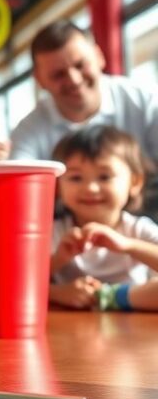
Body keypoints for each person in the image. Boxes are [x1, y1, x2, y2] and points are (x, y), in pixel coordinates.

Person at [0, 20, 158, 165]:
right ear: (40, 80)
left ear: (99, 56)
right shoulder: (28, 131)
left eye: (80, 65)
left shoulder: (144, 102)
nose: (74, 80)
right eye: (58, 74)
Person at [49, 125, 158, 311]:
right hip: (71, 326)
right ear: (58, 186)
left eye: (104, 177)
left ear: (135, 182)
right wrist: (58, 287)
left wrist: (127, 245)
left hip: (134, 319)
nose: (91, 188)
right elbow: (21, 280)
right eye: (76, 178)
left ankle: (112, 297)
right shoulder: (55, 231)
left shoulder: (138, 229)